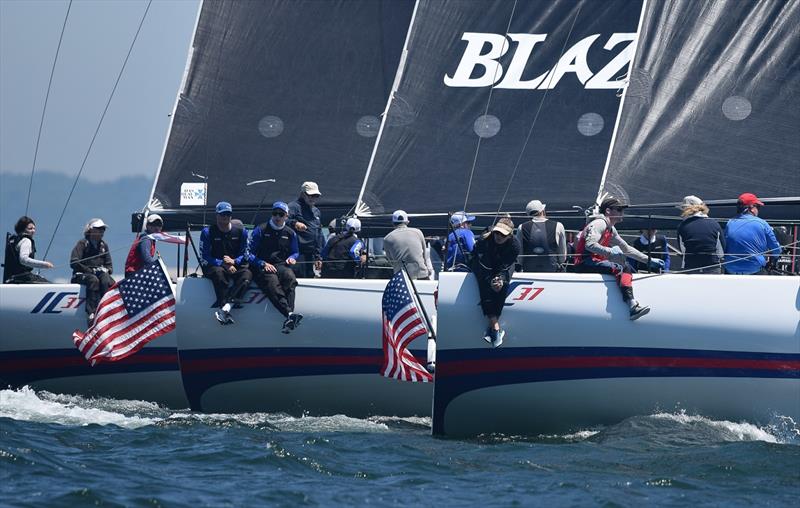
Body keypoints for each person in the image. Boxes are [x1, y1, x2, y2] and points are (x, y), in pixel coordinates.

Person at [573, 197, 665, 320]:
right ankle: (632, 306)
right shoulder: (599, 223)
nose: (622, 213)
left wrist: (648, 260)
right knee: (621, 267)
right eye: (619, 209)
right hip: (584, 262)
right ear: (608, 211)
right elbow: (590, 245)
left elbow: (626, 249)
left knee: (627, 266)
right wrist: (611, 252)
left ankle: (631, 302)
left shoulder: (610, 228)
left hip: (595, 261)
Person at [249, 201, 303, 333]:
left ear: (286, 216)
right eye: (275, 213)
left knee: (290, 277)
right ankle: (289, 314)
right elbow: (248, 253)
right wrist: (262, 263)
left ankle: (289, 317)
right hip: (262, 265)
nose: (277, 217)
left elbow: (295, 251)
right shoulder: (260, 230)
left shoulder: (290, 233)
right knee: (272, 282)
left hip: (280, 265)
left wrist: (292, 258)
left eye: (281, 214)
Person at [200, 202, 253, 325]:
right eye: (222, 214)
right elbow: (205, 256)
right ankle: (223, 305)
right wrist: (223, 264)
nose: (225, 217)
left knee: (247, 275)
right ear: (217, 215)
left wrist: (234, 262)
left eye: (228, 214)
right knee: (219, 274)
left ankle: (226, 308)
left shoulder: (241, 231)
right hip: (215, 266)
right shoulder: (207, 232)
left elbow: (245, 254)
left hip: (235, 265)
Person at [471, 217, 520, 347]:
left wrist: (500, 279)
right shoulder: (484, 240)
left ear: (509, 235)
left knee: (503, 285)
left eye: (502, 234)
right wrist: (491, 281)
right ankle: (495, 326)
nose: (498, 236)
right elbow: (485, 267)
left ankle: (493, 327)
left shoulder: (515, 245)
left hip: (501, 264)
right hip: (482, 263)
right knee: (484, 284)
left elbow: (505, 266)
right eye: (497, 232)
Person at [70, 218, 115, 326]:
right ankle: (91, 312)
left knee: (107, 279)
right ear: (90, 230)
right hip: (82, 275)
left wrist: (105, 270)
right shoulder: (82, 243)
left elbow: (110, 267)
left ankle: (106, 309)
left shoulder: (104, 245)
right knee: (93, 280)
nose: (101, 232)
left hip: (99, 274)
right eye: (99, 229)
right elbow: (74, 262)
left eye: (103, 229)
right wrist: (90, 270)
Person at [723, 193, 781, 275]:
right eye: (758, 207)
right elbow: (776, 249)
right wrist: (775, 258)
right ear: (751, 208)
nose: (758, 210)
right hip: (755, 270)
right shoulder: (762, 224)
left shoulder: (730, 223)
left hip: (730, 270)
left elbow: (724, 246)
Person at [676, 195, 725, 274]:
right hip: (712, 267)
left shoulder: (682, 226)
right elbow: (721, 252)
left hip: (690, 268)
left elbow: (683, 250)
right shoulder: (714, 224)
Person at [516, 199, 566, 272]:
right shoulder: (558, 225)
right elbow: (562, 254)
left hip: (529, 270)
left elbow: (519, 254)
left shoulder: (521, 227)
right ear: (543, 211)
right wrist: (561, 263)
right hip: (552, 269)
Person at [288, 181, 324, 278]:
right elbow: (281, 220)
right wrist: (294, 223)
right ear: (302, 194)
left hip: (311, 255)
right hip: (297, 253)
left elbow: (318, 234)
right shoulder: (293, 206)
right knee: (296, 277)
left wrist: (318, 257)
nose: (313, 198)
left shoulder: (316, 211)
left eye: (316, 196)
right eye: (311, 195)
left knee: (310, 276)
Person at [383, 210, 433, 280]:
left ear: (393, 223)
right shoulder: (418, 232)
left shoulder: (387, 238)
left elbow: (390, 260)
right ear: (407, 222)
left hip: (401, 277)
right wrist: (428, 270)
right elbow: (425, 255)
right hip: (421, 274)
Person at [3, 216, 53, 283]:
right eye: (30, 228)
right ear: (23, 229)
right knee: (48, 285)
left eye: (34, 228)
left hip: (11, 277)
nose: (33, 231)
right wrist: (45, 264)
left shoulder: (14, 240)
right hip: (22, 277)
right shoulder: (26, 241)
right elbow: (23, 260)